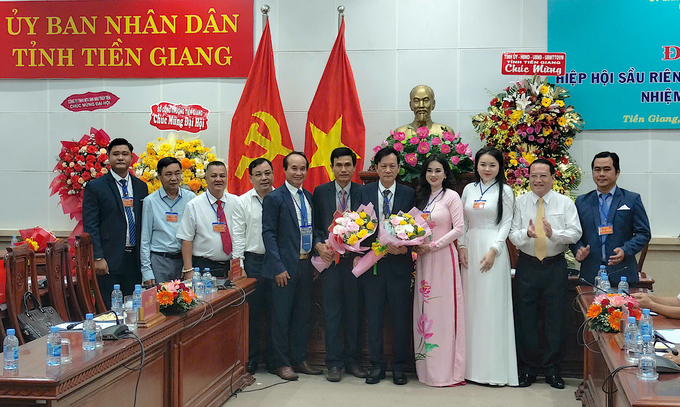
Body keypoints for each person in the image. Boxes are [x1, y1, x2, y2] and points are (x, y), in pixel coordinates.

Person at [509, 159, 582, 389]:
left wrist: (554, 234)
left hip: (554, 267)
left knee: (555, 319)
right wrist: (527, 234)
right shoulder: (519, 203)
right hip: (527, 266)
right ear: (527, 178)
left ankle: (552, 370)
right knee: (525, 318)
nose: (538, 180)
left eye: (543, 176)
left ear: (552, 178)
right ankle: (529, 369)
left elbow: (575, 233)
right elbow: (512, 234)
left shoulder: (565, 203)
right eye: (533, 176)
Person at [458, 147, 518, 386]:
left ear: (499, 167)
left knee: (492, 308)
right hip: (470, 249)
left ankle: (493, 372)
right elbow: (461, 220)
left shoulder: (506, 191)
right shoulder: (469, 189)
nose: (487, 169)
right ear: (477, 166)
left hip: (493, 250)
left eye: (492, 165)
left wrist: (494, 250)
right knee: (471, 308)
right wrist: (461, 246)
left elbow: (506, 223)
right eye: (483, 164)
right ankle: (469, 369)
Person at [357, 146, 416, 385]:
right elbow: (357, 227)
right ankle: (377, 366)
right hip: (372, 265)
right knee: (374, 317)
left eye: (393, 166)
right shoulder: (364, 192)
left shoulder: (409, 193)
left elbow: (416, 229)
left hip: (399, 265)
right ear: (376, 168)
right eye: (383, 166)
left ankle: (399, 367)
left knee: (401, 318)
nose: (388, 170)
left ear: (399, 168)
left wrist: (406, 248)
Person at [262, 152, 322, 381]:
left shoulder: (308, 196)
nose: (299, 173)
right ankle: (282, 363)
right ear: (284, 171)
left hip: (305, 266)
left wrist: (318, 256)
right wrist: (277, 266)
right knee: (280, 317)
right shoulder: (274, 198)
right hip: (283, 270)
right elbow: (268, 234)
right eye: (294, 168)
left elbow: (313, 230)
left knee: (301, 315)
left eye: (303, 168)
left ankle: (299, 359)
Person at [312, 147, 368, 382]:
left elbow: (370, 225)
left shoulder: (363, 192)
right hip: (330, 264)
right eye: (339, 165)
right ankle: (333, 363)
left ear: (354, 167)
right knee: (332, 313)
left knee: (354, 313)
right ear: (332, 166)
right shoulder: (320, 192)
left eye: (348, 165)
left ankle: (352, 361)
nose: (343, 169)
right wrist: (318, 245)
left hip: (355, 263)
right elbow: (313, 225)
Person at [412, 155, 465, 387]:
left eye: (438, 170)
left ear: (446, 174)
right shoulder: (423, 198)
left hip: (443, 258)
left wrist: (433, 246)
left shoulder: (451, 196)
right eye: (429, 171)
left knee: (443, 313)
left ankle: (446, 372)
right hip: (424, 261)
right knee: (425, 312)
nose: (433, 175)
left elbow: (459, 229)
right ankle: (427, 370)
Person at [83, 138, 148, 308]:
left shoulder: (141, 187)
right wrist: (97, 257)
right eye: (116, 154)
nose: (120, 157)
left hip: (135, 259)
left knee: (135, 307)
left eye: (125, 154)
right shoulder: (96, 187)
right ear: (109, 158)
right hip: (109, 260)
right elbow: (90, 225)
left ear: (131, 158)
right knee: (108, 308)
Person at [571, 151, 651, 286]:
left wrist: (625, 250)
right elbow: (573, 233)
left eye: (607, 169)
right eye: (597, 169)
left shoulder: (632, 199)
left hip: (623, 274)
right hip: (590, 274)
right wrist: (578, 249)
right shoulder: (581, 202)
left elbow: (643, 233)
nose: (601, 174)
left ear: (617, 172)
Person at [232, 157, 275, 375]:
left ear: (273, 174)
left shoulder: (281, 197)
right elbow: (238, 235)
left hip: (277, 262)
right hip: (254, 261)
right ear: (250, 178)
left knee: (276, 312)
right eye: (258, 174)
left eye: (267, 173)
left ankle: (273, 359)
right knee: (254, 313)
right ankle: (251, 359)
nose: (263, 178)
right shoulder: (242, 202)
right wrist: (239, 264)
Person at [140, 157, 196, 285]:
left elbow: (195, 233)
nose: (174, 178)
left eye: (177, 173)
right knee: (161, 302)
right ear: (159, 176)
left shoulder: (191, 198)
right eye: (168, 174)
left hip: (183, 260)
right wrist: (146, 270)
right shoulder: (150, 201)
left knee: (187, 300)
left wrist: (188, 266)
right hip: (159, 261)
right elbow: (145, 238)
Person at [176, 161, 238, 278]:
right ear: (206, 178)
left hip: (231, 266)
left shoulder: (236, 202)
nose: (218, 179)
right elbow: (186, 239)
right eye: (214, 176)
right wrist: (188, 270)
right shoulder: (194, 205)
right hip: (204, 267)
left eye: (222, 176)